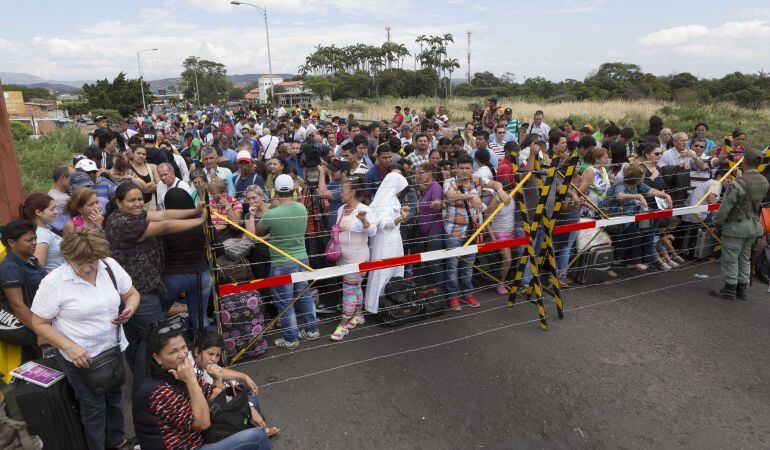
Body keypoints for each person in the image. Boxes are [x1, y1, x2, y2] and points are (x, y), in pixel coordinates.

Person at [30, 230, 139, 450]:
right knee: (93, 407)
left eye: (92, 261)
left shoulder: (109, 266)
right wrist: (70, 348)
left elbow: (132, 294)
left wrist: (128, 310)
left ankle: (117, 441)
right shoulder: (54, 283)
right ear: (67, 258)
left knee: (115, 397)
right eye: (80, 263)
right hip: (81, 357)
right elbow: (39, 323)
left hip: (113, 348)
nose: (88, 268)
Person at [104, 182, 207, 393]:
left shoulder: (130, 216)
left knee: (137, 341)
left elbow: (163, 215)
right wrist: (200, 220)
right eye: (131, 200)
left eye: (140, 199)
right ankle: (147, 391)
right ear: (118, 202)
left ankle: (141, 387)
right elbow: (165, 226)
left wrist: (195, 210)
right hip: (140, 292)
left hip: (133, 290)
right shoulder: (124, 223)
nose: (137, 204)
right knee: (156, 339)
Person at [133, 325, 270, 450]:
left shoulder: (180, 371)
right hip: (190, 446)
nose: (182, 354)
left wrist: (249, 406)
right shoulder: (159, 391)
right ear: (158, 358)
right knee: (256, 437)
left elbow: (217, 394)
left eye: (183, 347)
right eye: (173, 351)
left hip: (198, 437)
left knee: (251, 401)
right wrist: (191, 381)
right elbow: (203, 423)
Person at [253, 174, 319, 349]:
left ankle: (290, 339)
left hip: (281, 263)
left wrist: (253, 216)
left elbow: (258, 233)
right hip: (302, 259)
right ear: (293, 189)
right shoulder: (302, 208)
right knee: (304, 295)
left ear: (274, 191)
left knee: (284, 302)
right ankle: (312, 329)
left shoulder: (271, 214)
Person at [443, 154, 509, 310]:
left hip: (473, 230)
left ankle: (467, 293)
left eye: (467, 168)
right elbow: (450, 195)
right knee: (453, 265)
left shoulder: (477, 180)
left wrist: (500, 191)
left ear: (472, 168)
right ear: (456, 168)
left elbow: (495, 183)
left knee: (469, 264)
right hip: (454, 231)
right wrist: (472, 196)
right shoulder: (450, 182)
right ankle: (453, 296)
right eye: (461, 168)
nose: (464, 171)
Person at [190, 332, 279, 438]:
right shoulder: (191, 371)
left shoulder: (202, 361)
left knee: (239, 389)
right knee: (248, 400)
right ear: (197, 351)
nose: (214, 359)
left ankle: (257, 427)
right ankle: (255, 430)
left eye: (217, 355)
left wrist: (245, 377)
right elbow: (218, 401)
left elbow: (220, 370)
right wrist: (249, 406)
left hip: (213, 399)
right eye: (210, 354)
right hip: (205, 416)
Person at [710, 147, 769, 300]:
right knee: (744, 258)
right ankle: (741, 289)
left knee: (730, 258)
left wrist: (715, 222)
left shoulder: (739, 183)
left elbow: (725, 208)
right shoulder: (764, 181)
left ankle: (730, 288)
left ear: (745, 161)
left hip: (736, 226)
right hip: (753, 224)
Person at [159, 188, 212, 333]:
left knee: (157, 316)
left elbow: (159, 254)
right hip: (200, 274)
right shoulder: (201, 222)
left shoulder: (164, 227)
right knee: (200, 319)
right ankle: (207, 345)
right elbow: (218, 248)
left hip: (172, 276)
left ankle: (161, 345)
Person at [330, 179, 376, 341]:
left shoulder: (364, 209)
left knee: (349, 290)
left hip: (358, 260)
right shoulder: (341, 209)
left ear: (352, 192)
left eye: (343, 190)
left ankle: (342, 325)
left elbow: (372, 231)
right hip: (342, 257)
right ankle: (358, 315)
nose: (340, 193)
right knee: (355, 287)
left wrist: (363, 220)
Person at [606, 164, 672, 272]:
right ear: (635, 178)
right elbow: (620, 196)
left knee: (636, 235)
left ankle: (631, 262)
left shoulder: (638, 185)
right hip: (614, 219)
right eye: (642, 177)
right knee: (620, 240)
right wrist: (638, 196)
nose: (644, 179)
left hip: (628, 219)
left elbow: (651, 191)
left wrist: (665, 195)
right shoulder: (620, 185)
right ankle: (611, 264)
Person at [363, 172, 411, 313]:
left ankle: (394, 303)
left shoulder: (393, 200)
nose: (401, 192)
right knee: (382, 271)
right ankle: (376, 306)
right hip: (385, 241)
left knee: (395, 270)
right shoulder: (383, 203)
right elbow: (385, 225)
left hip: (395, 240)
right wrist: (400, 218)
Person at [0, 220, 47, 360]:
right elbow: (17, 305)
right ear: (11, 243)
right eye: (28, 240)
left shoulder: (30, 259)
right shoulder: (10, 267)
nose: (34, 243)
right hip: (31, 326)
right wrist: (42, 331)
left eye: (35, 239)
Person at [416, 163, 445, 286]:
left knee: (435, 263)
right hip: (429, 232)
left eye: (421, 173)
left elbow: (437, 204)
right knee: (431, 263)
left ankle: (442, 290)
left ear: (430, 173)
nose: (418, 176)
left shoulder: (435, 188)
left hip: (434, 231)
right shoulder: (428, 188)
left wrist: (437, 203)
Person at [21, 193, 65, 271]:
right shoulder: (40, 235)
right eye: (52, 209)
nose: (56, 211)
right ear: (38, 212)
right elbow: (39, 269)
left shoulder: (44, 229)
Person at [243, 185, 272, 280]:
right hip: (258, 255)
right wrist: (252, 216)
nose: (251, 201)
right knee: (262, 282)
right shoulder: (248, 215)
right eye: (248, 199)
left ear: (262, 196)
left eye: (254, 198)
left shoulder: (273, 209)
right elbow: (251, 237)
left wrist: (258, 239)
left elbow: (276, 233)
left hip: (275, 253)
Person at [48, 164, 74, 234]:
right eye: (72, 178)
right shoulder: (63, 200)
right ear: (63, 178)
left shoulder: (51, 193)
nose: (74, 181)